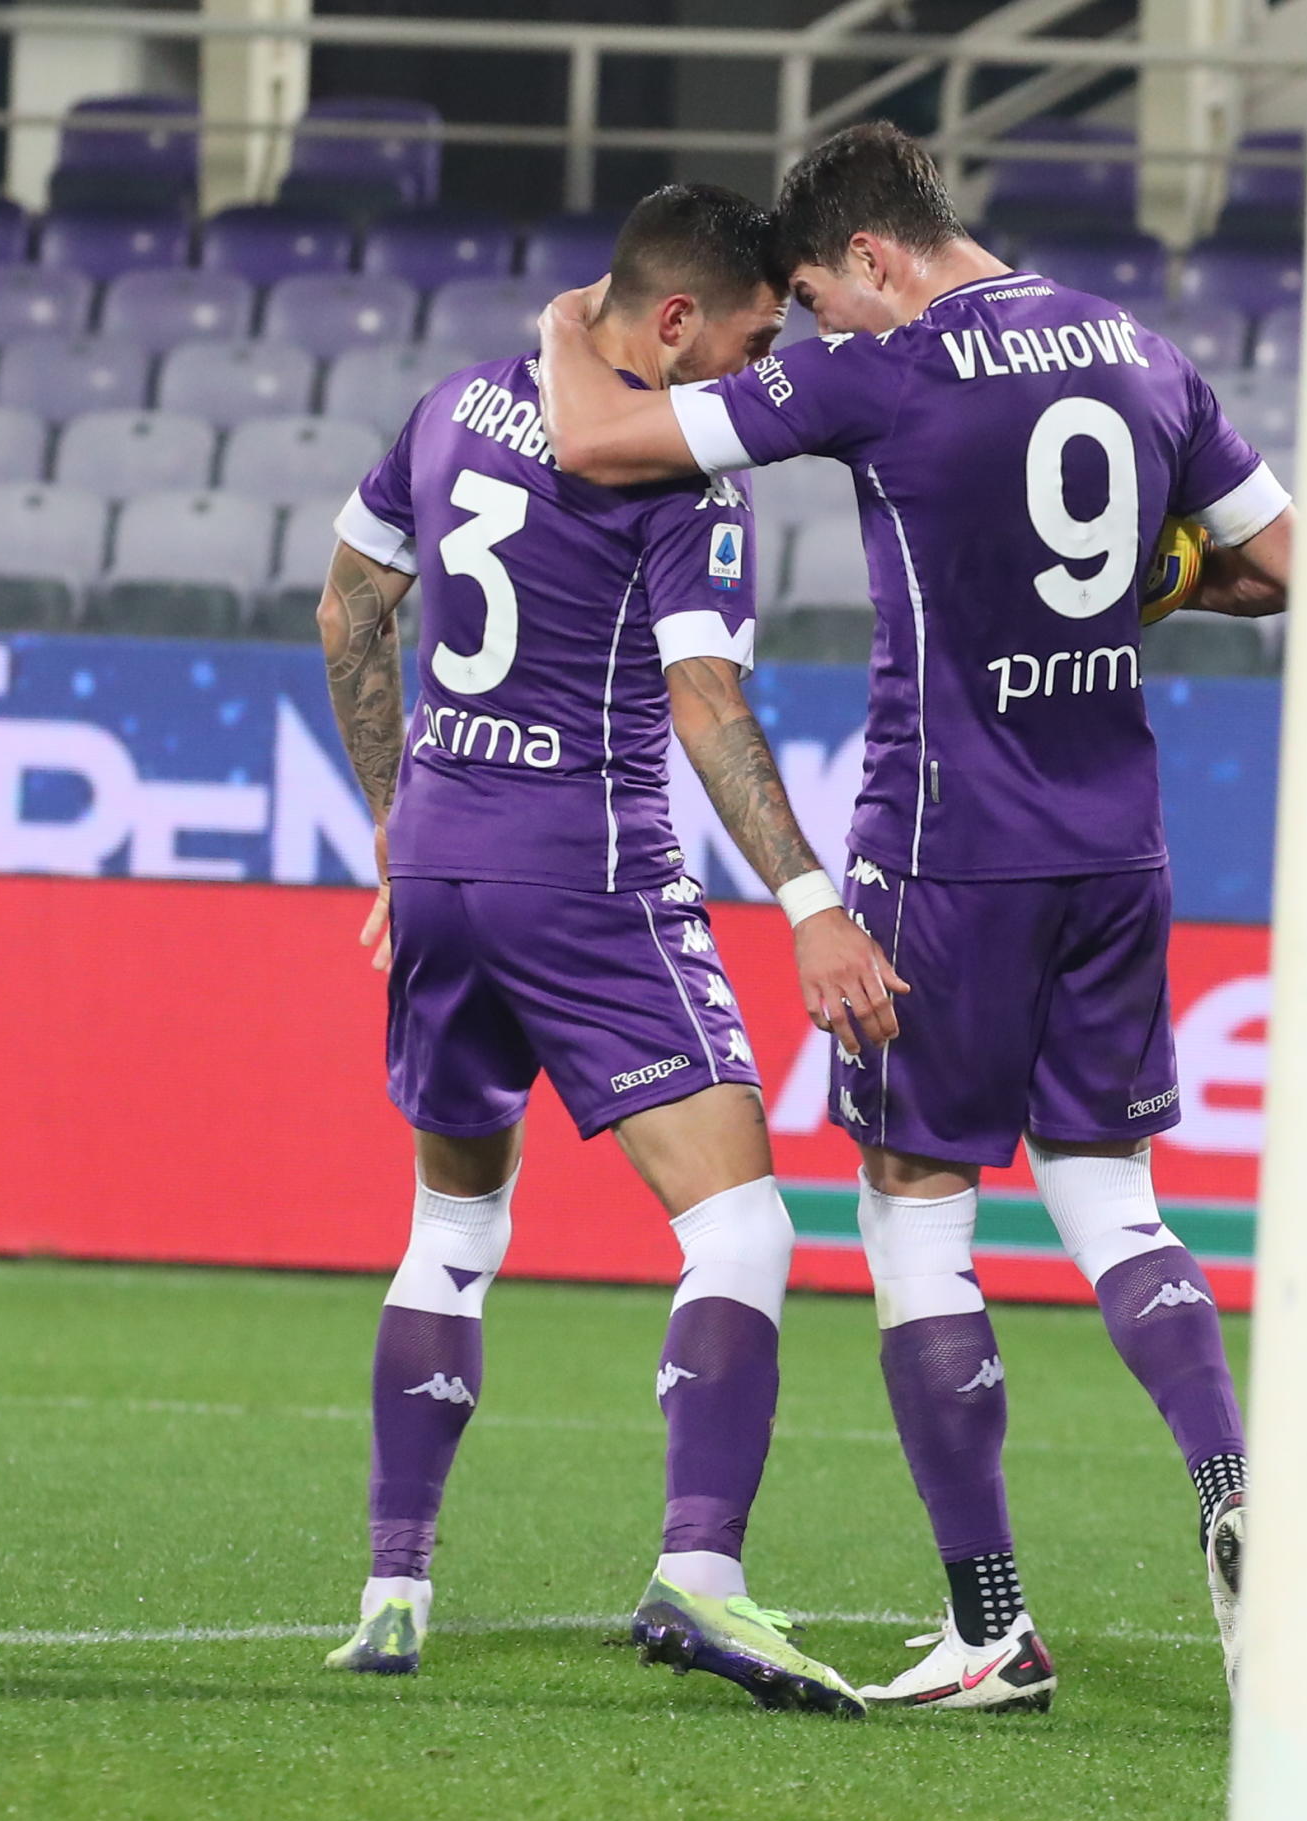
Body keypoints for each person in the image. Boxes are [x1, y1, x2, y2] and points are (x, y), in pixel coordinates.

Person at [536, 123, 1293, 1712]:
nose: (808, 329)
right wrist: (1155, 584)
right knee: (1114, 1200)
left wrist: (562, 319)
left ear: (871, 258)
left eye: (814, 298)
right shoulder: (1142, 350)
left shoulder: (882, 372)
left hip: (947, 856)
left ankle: (992, 1626)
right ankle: (1235, 1488)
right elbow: (1283, 564)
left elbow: (597, 439)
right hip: (1118, 849)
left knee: (915, 1214)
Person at [312, 182, 904, 1718]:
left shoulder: (451, 409)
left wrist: (392, 823)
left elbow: (349, 609)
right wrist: (807, 899)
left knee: (451, 1229)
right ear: (677, 323)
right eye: (757, 338)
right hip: (588, 869)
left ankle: (393, 1589)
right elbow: (706, 709)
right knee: (742, 1232)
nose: (767, 368)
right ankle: (700, 1574)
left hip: (443, 860)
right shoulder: (682, 474)